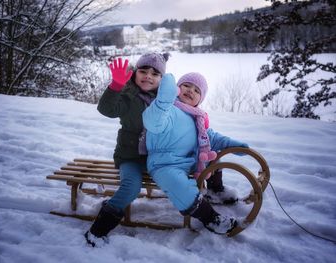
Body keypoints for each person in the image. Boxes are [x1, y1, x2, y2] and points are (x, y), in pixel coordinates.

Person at [142, 72, 249, 235]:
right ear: (177, 89)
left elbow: (211, 137)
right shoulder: (168, 109)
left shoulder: (196, 117)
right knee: (178, 184)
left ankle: (215, 190)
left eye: (197, 90)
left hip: (188, 162)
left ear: (200, 99)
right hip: (164, 164)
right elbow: (153, 122)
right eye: (186, 85)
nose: (190, 90)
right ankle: (211, 219)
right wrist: (162, 102)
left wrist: (234, 145)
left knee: (212, 155)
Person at [85, 53, 170, 247]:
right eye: (143, 71)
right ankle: (97, 231)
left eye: (155, 73)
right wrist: (116, 86)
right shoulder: (128, 95)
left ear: (161, 80)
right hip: (130, 156)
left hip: (156, 158)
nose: (148, 76)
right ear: (135, 73)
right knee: (131, 187)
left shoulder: (165, 101)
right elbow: (107, 109)